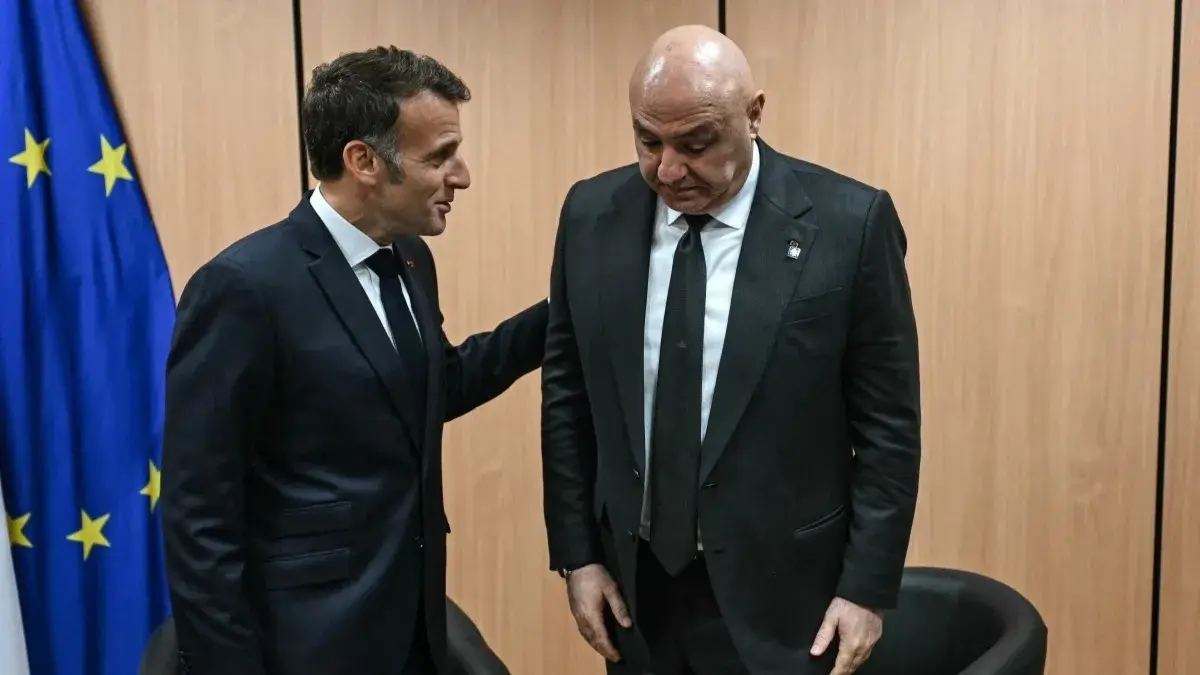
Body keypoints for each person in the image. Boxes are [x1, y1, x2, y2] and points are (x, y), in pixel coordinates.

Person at [541, 25, 921, 675]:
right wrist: (578, 555)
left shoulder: (849, 224)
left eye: (696, 144)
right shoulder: (589, 214)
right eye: (648, 141)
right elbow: (567, 393)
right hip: (637, 594)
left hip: (788, 602)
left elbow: (888, 426)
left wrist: (866, 587)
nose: (668, 169)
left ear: (754, 115)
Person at [161, 46, 548, 675]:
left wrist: (562, 314)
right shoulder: (243, 288)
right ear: (363, 161)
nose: (462, 176)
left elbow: (432, 386)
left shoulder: (411, 260)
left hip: (411, 631)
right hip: (303, 645)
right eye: (439, 157)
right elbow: (197, 513)